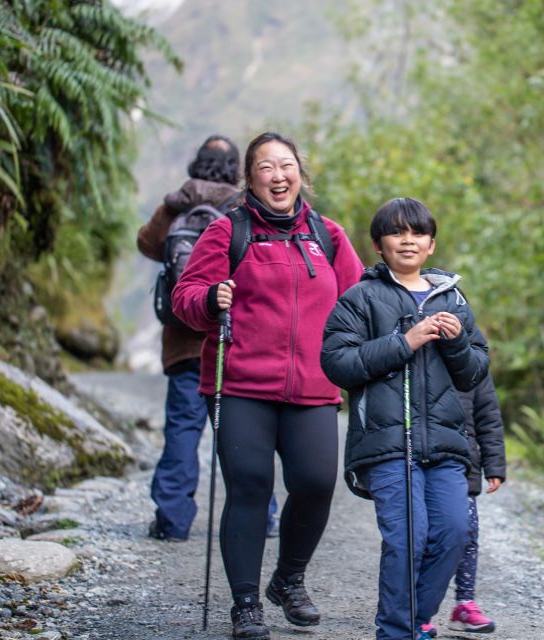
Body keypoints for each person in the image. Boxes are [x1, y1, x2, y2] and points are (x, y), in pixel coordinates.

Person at [172, 132, 365, 639]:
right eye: (266, 168)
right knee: (250, 485)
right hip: (239, 385)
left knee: (317, 484)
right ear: (249, 178)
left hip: (314, 388)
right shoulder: (227, 233)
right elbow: (185, 297)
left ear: (300, 171)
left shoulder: (329, 237)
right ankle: (245, 605)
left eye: (286, 165)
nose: (278, 176)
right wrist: (211, 297)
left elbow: (360, 304)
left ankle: (288, 578)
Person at [321, 197, 491, 640]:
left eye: (417, 233)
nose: (408, 240)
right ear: (379, 245)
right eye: (397, 233)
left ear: (431, 244)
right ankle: (396, 631)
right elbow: (336, 363)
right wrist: (405, 341)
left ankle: (415, 618)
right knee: (408, 539)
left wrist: (454, 344)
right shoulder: (360, 298)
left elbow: (474, 371)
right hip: (387, 444)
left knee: (454, 531)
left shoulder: (452, 298)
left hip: (446, 443)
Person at [138, 135, 279, 542]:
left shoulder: (176, 204)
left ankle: (173, 520)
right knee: (242, 435)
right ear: (238, 168)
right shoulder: (243, 208)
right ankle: (263, 514)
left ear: (196, 163)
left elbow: (147, 243)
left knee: (183, 428)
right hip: (234, 343)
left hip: (183, 343)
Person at [421, 373, 506, 636]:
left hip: (463, 466)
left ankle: (464, 604)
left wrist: (494, 465)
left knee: (467, 534)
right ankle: (415, 608)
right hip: (422, 462)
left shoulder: (473, 365)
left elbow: (489, 418)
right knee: (420, 536)